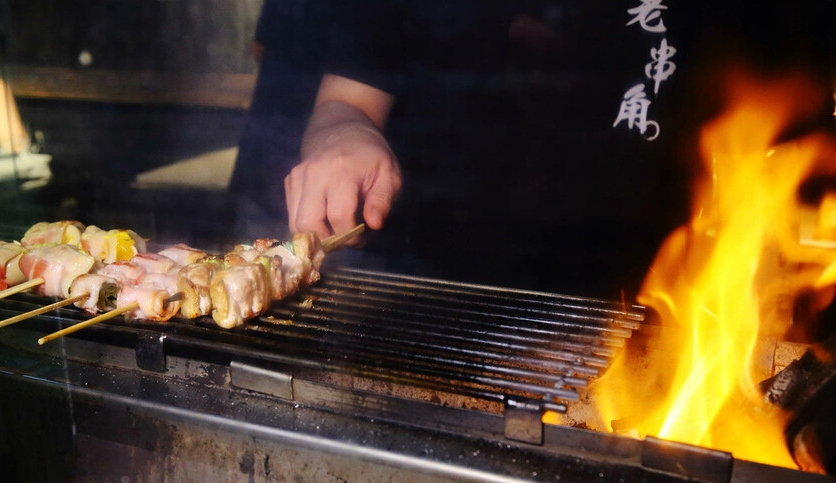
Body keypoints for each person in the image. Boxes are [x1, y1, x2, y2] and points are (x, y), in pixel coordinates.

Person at [256, 0, 834, 295]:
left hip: (640, 310)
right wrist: (345, 136)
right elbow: (347, 104)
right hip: (425, 294)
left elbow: (785, 129)